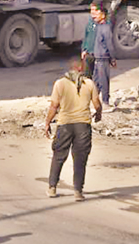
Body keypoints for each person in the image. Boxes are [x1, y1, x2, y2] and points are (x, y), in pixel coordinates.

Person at [44, 59, 102, 201]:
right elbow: (97, 105)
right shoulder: (89, 84)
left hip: (65, 125)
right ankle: (78, 192)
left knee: (58, 157)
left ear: (70, 68)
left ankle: (52, 188)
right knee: (80, 159)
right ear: (81, 68)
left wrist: (47, 123)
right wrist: (98, 114)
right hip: (83, 125)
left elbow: (54, 106)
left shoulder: (60, 83)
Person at [90, 2, 116, 105]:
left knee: (103, 81)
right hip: (98, 58)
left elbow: (109, 44)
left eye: (96, 12)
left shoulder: (106, 28)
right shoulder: (98, 26)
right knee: (96, 81)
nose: (94, 14)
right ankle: (95, 101)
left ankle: (105, 102)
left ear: (103, 14)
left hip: (103, 58)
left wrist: (112, 58)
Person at [79, 4, 97, 78]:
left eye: (94, 10)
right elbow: (86, 37)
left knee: (97, 77)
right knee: (87, 76)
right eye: (91, 10)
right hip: (88, 54)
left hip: (98, 55)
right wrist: (83, 50)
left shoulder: (102, 24)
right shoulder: (89, 23)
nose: (92, 12)